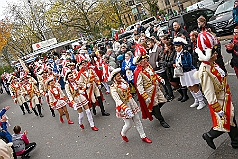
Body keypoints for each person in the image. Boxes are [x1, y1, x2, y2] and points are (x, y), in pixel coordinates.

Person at [194, 33, 238, 149]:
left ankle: (235, 141)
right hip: (218, 100)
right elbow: (208, 92)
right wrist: (217, 109)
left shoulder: (212, 63)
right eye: (213, 52)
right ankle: (209, 135)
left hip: (225, 97)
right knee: (224, 123)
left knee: (231, 119)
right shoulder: (204, 70)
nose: (216, 54)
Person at [109, 68, 152, 143]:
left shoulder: (123, 82)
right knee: (128, 124)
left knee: (137, 120)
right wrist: (126, 109)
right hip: (123, 106)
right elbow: (117, 100)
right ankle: (123, 133)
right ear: (114, 78)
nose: (120, 77)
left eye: (120, 75)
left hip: (131, 103)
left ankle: (143, 136)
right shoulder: (113, 88)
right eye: (118, 76)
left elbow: (128, 92)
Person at [133, 55, 170, 128]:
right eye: (144, 61)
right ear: (139, 63)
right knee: (155, 105)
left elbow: (154, 74)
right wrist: (145, 96)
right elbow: (139, 86)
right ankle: (161, 120)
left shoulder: (148, 66)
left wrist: (160, 79)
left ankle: (153, 111)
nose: (146, 61)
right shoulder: (139, 72)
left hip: (156, 88)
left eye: (146, 60)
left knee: (163, 100)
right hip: (149, 92)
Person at [173, 37, 206, 110]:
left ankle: (201, 101)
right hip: (183, 73)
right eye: (175, 47)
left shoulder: (185, 53)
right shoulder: (177, 54)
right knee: (189, 87)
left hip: (189, 72)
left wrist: (179, 65)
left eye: (177, 47)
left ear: (181, 46)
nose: (176, 48)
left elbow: (189, 63)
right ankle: (196, 100)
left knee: (194, 86)